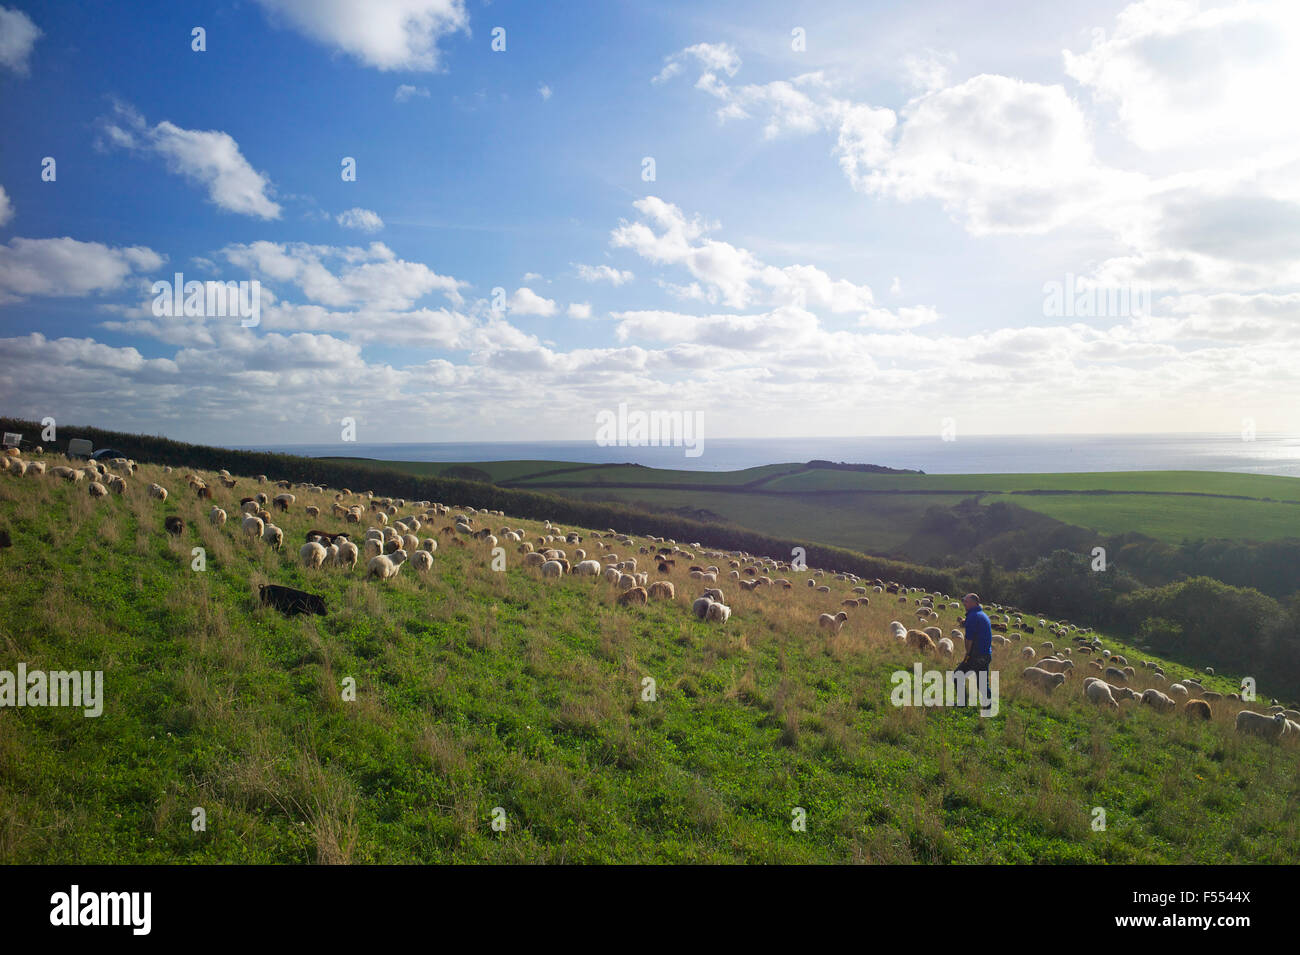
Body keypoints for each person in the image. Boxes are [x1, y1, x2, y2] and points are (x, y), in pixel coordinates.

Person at [955, 593, 993, 697]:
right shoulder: (983, 615)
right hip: (985, 655)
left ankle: (963, 704)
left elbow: (969, 639)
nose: (964, 603)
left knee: (958, 675)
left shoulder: (973, 616)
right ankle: (988, 707)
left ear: (974, 603)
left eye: (966, 601)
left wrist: (967, 655)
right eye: (964, 601)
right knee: (982, 684)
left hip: (976, 655)